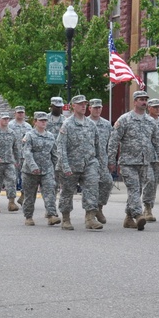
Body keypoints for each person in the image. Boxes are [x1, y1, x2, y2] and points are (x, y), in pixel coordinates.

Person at [108, 90, 159, 231]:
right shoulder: (124, 119)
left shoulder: (151, 122)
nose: (144, 102)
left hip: (145, 162)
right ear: (135, 101)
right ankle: (139, 215)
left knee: (137, 191)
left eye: (145, 99)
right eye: (141, 99)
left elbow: (157, 141)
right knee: (133, 188)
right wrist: (111, 161)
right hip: (128, 162)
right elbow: (114, 141)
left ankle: (128, 217)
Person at [55, 95, 103, 230]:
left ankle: (90, 218)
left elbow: (97, 145)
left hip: (89, 163)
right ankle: (65, 218)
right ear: (73, 106)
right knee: (67, 192)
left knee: (92, 188)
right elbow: (61, 146)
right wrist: (65, 165)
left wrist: (99, 163)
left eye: (85, 104)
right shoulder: (67, 124)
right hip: (71, 164)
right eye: (80, 104)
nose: (83, 106)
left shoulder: (91, 124)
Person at [21, 112, 58, 226]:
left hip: (47, 169)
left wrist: (58, 168)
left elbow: (54, 154)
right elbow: (26, 152)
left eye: (45, 120)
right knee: (29, 195)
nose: (43, 122)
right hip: (30, 171)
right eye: (41, 120)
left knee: (50, 192)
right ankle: (28, 216)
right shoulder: (29, 135)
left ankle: (51, 215)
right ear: (35, 122)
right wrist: (33, 166)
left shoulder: (50, 136)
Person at [88, 99, 114, 224]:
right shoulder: (85, 123)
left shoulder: (107, 124)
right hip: (88, 160)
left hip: (103, 160)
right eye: (95, 108)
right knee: (92, 187)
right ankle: (91, 214)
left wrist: (111, 160)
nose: (97, 110)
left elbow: (111, 144)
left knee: (107, 183)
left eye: (99, 108)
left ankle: (99, 207)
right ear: (90, 108)